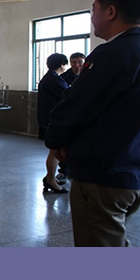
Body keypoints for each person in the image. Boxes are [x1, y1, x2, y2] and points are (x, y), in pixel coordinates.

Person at [45, 0, 140, 247]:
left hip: (102, 177)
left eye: (94, 9)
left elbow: (77, 105)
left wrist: (56, 140)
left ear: (111, 11)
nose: (92, 16)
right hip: (138, 172)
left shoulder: (112, 54)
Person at [37, 53, 69, 194]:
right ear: (62, 64)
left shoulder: (50, 78)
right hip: (54, 120)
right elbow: (68, 96)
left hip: (50, 119)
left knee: (54, 150)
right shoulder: (54, 80)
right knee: (54, 151)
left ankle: (51, 178)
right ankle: (50, 179)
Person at [58, 52, 85, 182]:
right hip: (69, 116)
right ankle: (64, 171)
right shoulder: (63, 78)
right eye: (74, 62)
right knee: (66, 144)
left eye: (80, 62)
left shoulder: (90, 75)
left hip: (84, 115)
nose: (77, 65)